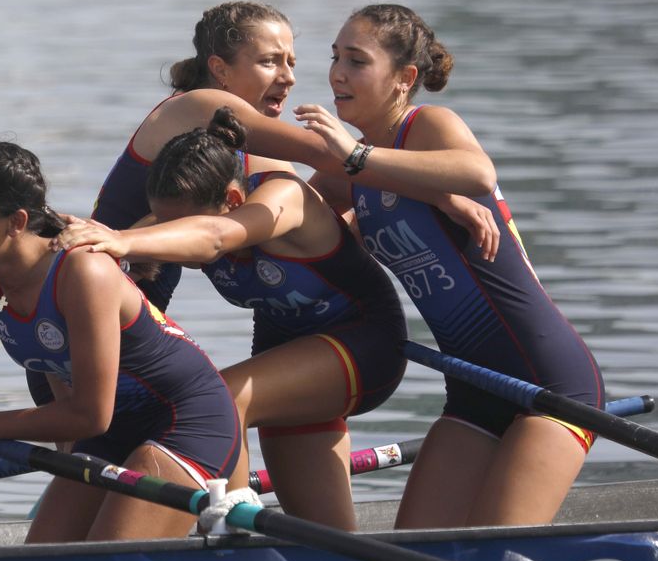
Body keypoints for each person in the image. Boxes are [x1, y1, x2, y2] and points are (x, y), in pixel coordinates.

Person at [292, 3, 605, 528]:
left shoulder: (428, 126)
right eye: (335, 58)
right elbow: (285, 217)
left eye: (357, 61)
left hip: (548, 380)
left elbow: (478, 174)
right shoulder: (353, 175)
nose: (337, 74)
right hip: (473, 390)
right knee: (415, 558)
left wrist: (355, 159)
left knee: (496, 558)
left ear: (404, 78)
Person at [0, 139, 248, 542]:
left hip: (188, 422)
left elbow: (89, 414)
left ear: (16, 221)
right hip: (115, 432)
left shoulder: (83, 271)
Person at [56, 106, 407, 530]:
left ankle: (232, 537)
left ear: (233, 201)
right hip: (288, 362)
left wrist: (123, 239)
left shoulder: (284, 198)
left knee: (224, 396)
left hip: (366, 344)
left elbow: (213, 237)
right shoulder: (185, 213)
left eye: (175, 224)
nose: (166, 230)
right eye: (162, 219)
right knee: (323, 536)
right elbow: (124, 256)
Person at [88, 0, 300, 313]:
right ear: (220, 69)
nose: (288, 77)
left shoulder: (232, 139)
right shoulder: (199, 104)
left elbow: (311, 198)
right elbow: (321, 153)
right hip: (100, 295)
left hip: (131, 302)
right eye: (270, 62)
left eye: (291, 63)